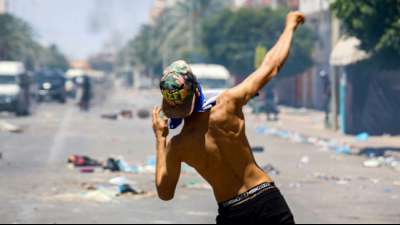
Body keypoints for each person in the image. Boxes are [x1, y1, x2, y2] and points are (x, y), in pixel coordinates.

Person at [152, 11, 305, 224]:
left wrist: (160, 139)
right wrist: (290, 26)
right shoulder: (228, 104)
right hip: (267, 199)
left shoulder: (178, 145)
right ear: (196, 90)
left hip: (234, 212)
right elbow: (271, 66)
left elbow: (165, 192)